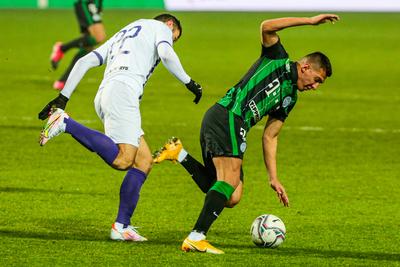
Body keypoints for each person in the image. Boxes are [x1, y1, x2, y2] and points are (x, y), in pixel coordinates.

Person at [153, 14, 339, 254]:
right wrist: (310, 21)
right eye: (316, 80)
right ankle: (196, 236)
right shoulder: (277, 58)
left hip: (231, 124)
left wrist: (274, 178)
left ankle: (179, 154)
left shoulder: (290, 98)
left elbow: (270, 136)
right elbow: (266, 27)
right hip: (229, 115)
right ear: (304, 67)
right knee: (228, 181)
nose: (315, 87)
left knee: (232, 195)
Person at [38, 14, 203, 241]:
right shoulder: (160, 27)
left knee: (143, 161)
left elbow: (84, 61)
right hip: (123, 92)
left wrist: (62, 97)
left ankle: (121, 226)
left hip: (108, 93)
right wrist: (190, 82)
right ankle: (66, 123)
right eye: (175, 38)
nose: (172, 41)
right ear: (170, 25)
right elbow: (165, 54)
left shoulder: (123, 34)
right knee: (124, 160)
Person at [50, 0, 106, 90]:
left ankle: (63, 81)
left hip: (95, 3)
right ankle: (62, 48)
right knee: (98, 37)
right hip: (86, 2)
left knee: (88, 47)